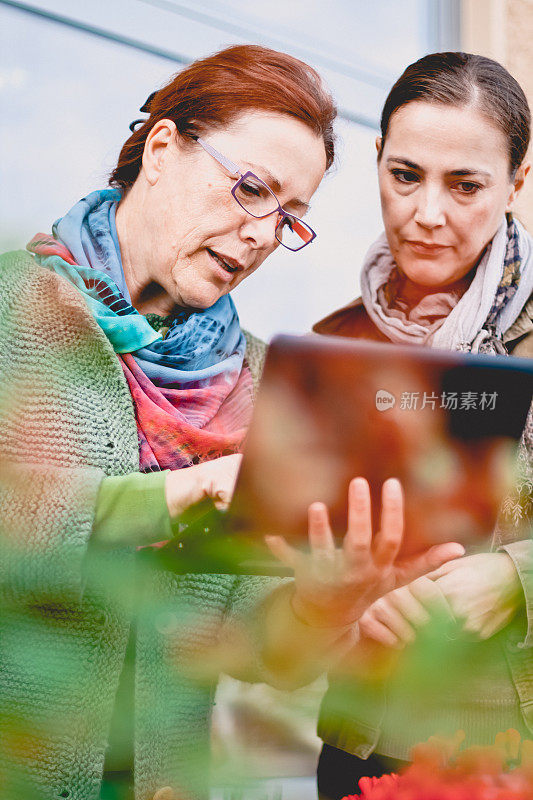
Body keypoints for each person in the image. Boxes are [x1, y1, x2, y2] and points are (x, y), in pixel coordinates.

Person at [0, 45, 464, 800]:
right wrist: (177, 496)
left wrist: (325, 600)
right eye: (252, 189)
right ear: (161, 149)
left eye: (288, 217)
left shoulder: (253, 380)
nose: (260, 234)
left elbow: (255, 650)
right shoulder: (11, 304)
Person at [313, 51, 533, 800]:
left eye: (465, 184)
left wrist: (514, 579)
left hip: (501, 755)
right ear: (376, 160)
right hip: (356, 746)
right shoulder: (335, 344)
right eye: (404, 175)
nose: (426, 213)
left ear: (517, 182)